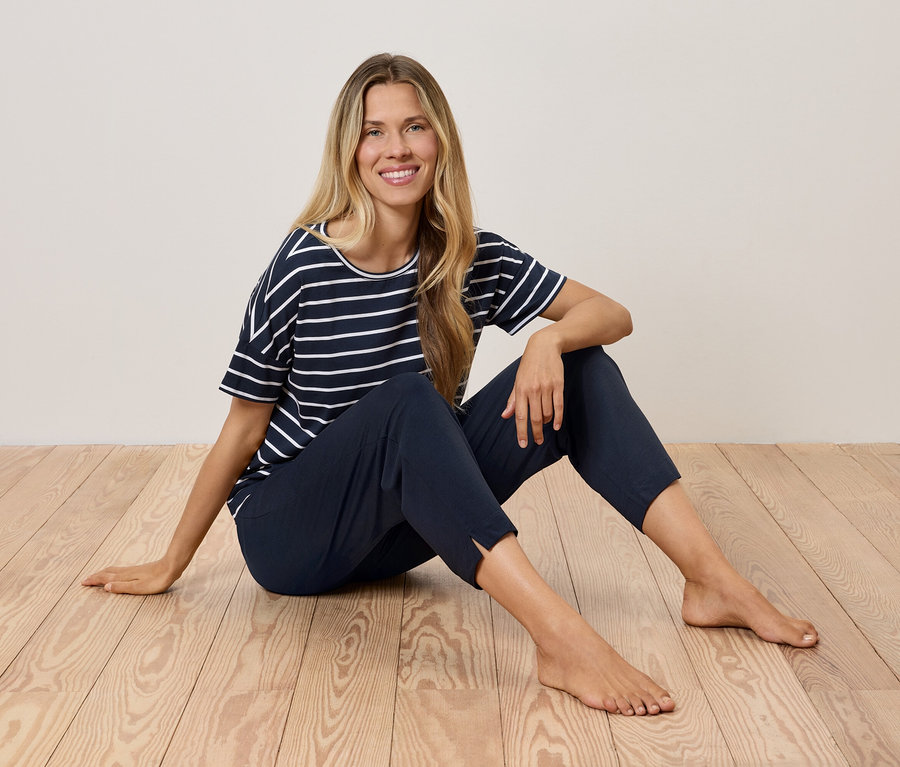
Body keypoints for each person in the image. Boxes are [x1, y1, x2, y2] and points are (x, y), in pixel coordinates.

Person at [82, 53, 818, 717]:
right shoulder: (303, 265)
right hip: (289, 535)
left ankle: (713, 581)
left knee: (585, 367)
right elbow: (243, 429)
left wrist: (549, 338)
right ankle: (561, 636)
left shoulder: (465, 256)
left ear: (441, 142)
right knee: (408, 400)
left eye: (414, 128)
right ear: (350, 150)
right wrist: (169, 561)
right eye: (374, 132)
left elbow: (611, 313)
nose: (396, 148)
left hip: (399, 536)